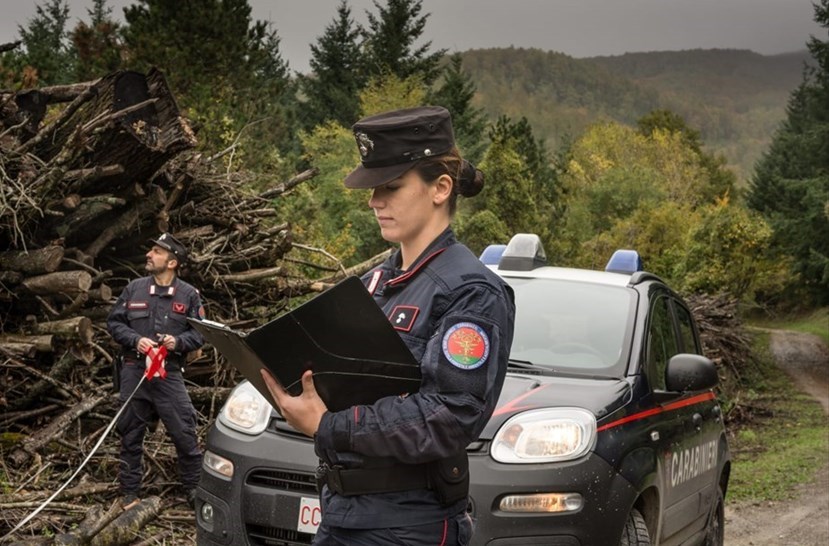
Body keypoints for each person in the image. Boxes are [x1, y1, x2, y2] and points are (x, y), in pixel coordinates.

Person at [261, 106, 516, 545]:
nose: (374, 201)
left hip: (408, 525)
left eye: (391, 187)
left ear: (440, 189)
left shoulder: (472, 291)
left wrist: (329, 426)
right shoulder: (376, 282)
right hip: (343, 512)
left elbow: (450, 416)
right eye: (374, 188)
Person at [106, 233, 205, 509]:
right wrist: (136, 340)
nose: (149, 255)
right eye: (151, 250)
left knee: (185, 433)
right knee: (129, 434)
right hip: (134, 371)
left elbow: (200, 334)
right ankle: (129, 494)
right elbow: (114, 324)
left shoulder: (189, 295)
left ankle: (194, 491)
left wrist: (178, 342)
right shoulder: (134, 289)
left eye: (156, 252)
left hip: (168, 374)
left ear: (172, 262)